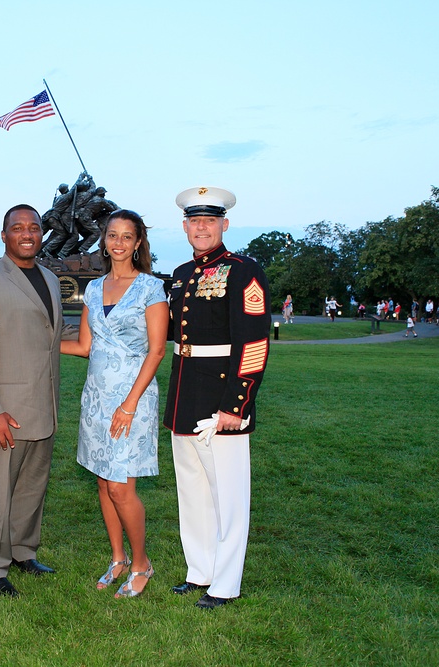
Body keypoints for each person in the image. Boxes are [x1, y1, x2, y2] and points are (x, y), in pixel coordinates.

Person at [164, 186, 271, 610]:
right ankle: (200, 572)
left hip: (220, 401)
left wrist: (236, 405)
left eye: (210, 221)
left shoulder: (244, 270)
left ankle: (225, 584)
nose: (201, 227)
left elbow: (254, 343)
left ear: (224, 225)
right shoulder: (181, 273)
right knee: (192, 492)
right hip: (184, 396)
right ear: (185, 227)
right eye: (194, 221)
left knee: (227, 496)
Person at [0, 204, 73, 598]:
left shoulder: (49, 278)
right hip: (2, 411)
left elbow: (51, 338)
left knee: (32, 487)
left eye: (34, 227)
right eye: (17, 227)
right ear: (4, 234)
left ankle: (23, 551)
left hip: (43, 405)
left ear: (42, 233)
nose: (27, 233)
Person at [60, 210, 169, 598]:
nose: (118, 242)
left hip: (132, 399)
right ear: (104, 240)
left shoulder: (151, 288)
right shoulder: (93, 288)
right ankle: (119, 557)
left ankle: (142, 564)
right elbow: (85, 346)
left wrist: (128, 404)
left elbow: (157, 351)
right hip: (96, 398)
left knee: (122, 487)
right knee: (104, 483)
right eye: (112, 235)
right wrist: (39, 344)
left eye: (127, 236)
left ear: (138, 242)